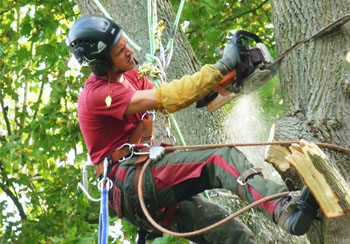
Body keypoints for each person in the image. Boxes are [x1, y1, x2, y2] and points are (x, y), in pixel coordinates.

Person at [68, 14, 319, 244]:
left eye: (126, 44)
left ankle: (289, 212)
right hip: (132, 183)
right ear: (101, 63)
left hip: (144, 186)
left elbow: (175, 90)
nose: (130, 52)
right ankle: (284, 207)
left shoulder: (129, 76)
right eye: (121, 51)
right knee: (219, 159)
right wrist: (221, 67)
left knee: (234, 237)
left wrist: (222, 82)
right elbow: (166, 98)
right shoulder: (99, 95)